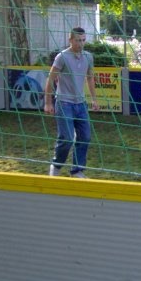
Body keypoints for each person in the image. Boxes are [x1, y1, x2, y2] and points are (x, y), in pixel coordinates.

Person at [44, 27, 99, 178]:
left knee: (85, 137)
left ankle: (77, 170)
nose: (81, 44)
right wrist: (48, 103)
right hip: (64, 103)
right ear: (70, 40)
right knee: (67, 139)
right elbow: (50, 79)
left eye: (83, 40)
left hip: (81, 104)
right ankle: (56, 166)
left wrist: (94, 99)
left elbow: (90, 78)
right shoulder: (62, 57)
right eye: (78, 40)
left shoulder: (88, 57)